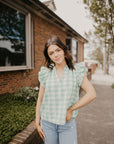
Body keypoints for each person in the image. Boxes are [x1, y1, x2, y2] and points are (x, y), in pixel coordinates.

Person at [36, 35, 96, 144]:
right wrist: (37, 122)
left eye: (58, 50)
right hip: (47, 123)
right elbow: (40, 99)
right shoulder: (46, 73)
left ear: (63, 50)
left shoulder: (76, 71)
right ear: (48, 56)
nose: (56, 55)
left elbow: (91, 94)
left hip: (67, 124)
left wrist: (71, 109)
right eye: (51, 53)